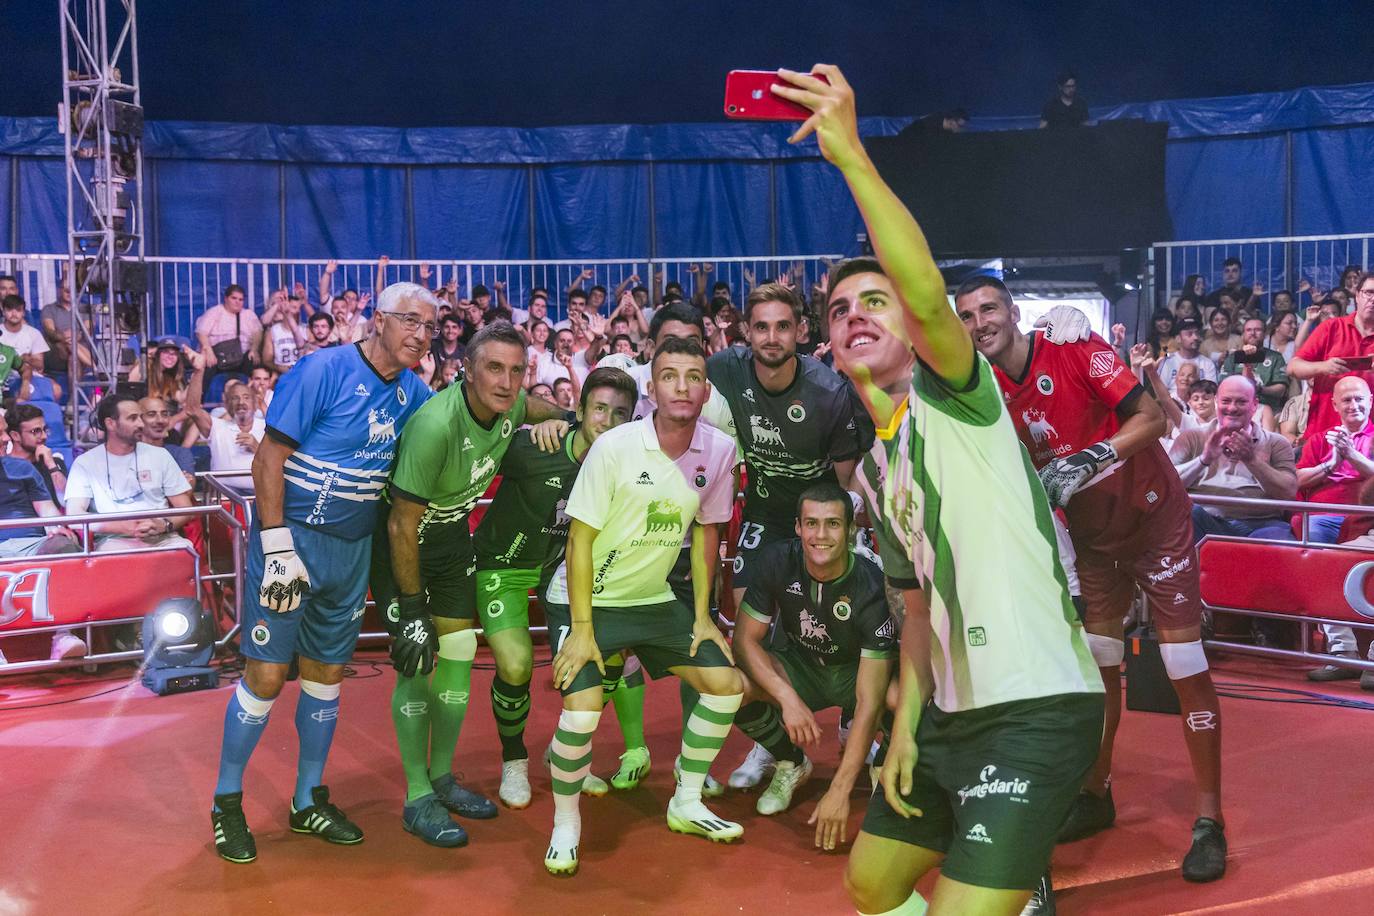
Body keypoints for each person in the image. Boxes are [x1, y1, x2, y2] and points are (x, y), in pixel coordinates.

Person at [773, 65, 1104, 916]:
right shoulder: (877, 476)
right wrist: (905, 733)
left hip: (1034, 707)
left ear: (919, 331)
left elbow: (922, 284)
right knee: (870, 884)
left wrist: (851, 157)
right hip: (950, 719)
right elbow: (916, 613)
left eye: (872, 300)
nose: (854, 314)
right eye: (840, 308)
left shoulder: (959, 396)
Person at [965, 276, 1228, 884]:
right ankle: (1096, 791)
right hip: (1094, 541)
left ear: (1012, 311)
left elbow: (1154, 418)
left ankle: (1210, 821)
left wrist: (1094, 456)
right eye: (968, 315)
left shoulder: (1072, 345)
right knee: (1099, 666)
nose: (980, 323)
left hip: (1156, 520)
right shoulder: (985, 391)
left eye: (989, 308)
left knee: (1184, 664)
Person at [207, 282, 436, 864]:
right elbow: (269, 459)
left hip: (350, 552)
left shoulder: (415, 395)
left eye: (430, 327)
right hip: (291, 543)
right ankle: (226, 802)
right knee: (263, 678)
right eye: (410, 320)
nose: (420, 334)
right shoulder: (321, 370)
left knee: (326, 677)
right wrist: (277, 544)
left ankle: (307, 800)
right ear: (378, 320)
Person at [542, 335, 742, 876]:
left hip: (653, 598)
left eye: (693, 376)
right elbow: (578, 540)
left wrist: (703, 617)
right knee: (581, 711)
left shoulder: (719, 451)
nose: (683, 385)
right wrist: (582, 630)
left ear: (705, 389)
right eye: (671, 376)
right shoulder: (615, 447)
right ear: (652, 388)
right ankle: (565, 822)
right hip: (586, 599)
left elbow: (708, 538)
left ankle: (687, 799)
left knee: (726, 686)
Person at [369, 321, 572, 849]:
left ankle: (441, 779)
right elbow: (400, 524)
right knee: (418, 662)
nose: (506, 382)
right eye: (493, 368)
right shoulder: (436, 425)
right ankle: (417, 798)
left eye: (516, 371)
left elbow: (543, 410)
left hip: (454, 541)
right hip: (404, 546)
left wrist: (569, 423)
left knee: (459, 655)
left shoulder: (513, 405)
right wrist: (412, 610)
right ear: (467, 369)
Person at [705, 280, 876, 788]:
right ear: (745, 332)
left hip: (816, 521)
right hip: (762, 515)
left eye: (783, 326)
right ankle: (772, 744)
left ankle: (851, 718)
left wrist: (835, 534)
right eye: (761, 327)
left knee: (828, 620)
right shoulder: (723, 371)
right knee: (749, 629)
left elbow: (845, 480)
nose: (772, 337)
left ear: (801, 331)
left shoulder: (829, 391)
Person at [472, 367, 641, 808]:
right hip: (501, 565)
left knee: (608, 656)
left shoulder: (623, 468)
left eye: (620, 413)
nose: (607, 420)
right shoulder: (535, 446)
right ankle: (513, 762)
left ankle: (565, 752)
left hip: (561, 570)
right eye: (599, 409)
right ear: (580, 410)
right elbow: (481, 441)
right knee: (514, 666)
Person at [731, 482, 897, 839]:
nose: (820, 535)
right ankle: (790, 761)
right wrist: (787, 698)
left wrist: (839, 789)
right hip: (802, 667)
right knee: (731, 688)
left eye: (833, 524)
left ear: (851, 530)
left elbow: (869, 701)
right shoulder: (778, 559)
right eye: (811, 523)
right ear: (797, 527)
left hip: (856, 673)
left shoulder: (871, 586)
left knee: (905, 699)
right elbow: (744, 641)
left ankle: (883, 771)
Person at [1294, 377, 1374, 681]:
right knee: (1316, 558)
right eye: (1347, 400)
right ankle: (1343, 653)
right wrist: (1332, 462)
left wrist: (1353, 457)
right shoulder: (1319, 439)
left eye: (1359, 399)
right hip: (1324, 515)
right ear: (1335, 405)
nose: (1354, 405)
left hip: (1367, 516)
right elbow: (1297, 481)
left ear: (1370, 401)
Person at [1170, 375, 1299, 541]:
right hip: (1205, 520)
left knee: (1281, 543)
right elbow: (1167, 487)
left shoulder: (1276, 442)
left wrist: (1251, 460)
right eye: (1226, 401)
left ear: (1254, 405)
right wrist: (1204, 459)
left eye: (1241, 402)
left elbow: (1288, 493)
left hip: (1263, 523)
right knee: (1185, 516)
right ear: (1217, 401)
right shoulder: (1190, 438)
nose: (1232, 408)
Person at [0, 407, 81, 666]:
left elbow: (46, 509)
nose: (5, 439)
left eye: (4, 432)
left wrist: (54, 526)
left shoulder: (22, 468)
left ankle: (63, 636)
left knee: (64, 547)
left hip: (32, 542)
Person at [1287, 272, 1374, 443]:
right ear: (1357, 296)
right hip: (1325, 430)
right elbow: (1293, 368)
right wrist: (1324, 367)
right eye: (1368, 292)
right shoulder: (1332, 327)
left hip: (1369, 438)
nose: (1373, 298)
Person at [186, 367, 265, 493]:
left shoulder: (267, 427)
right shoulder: (217, 426)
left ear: (255, 404)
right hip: (224, 496)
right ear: (227, 405)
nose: (241, 402)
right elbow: (192, 410)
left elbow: (279, 464)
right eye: (235, 398)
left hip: (261, 495)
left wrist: (257, 447)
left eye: (246, 397)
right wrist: (198, 371)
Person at [196, 285, 263, 384]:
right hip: (217, 355)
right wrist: (208, 351)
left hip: (242, 356)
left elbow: (258, 333)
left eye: (241, 299)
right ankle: (201, 397)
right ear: (226, 299)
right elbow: (201, 333)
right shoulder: (214, 312)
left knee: (254, 363)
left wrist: (254, 349)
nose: (237, 302)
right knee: (206, 366)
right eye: (234, 298)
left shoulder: (248, 314)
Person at [1219, 317, 1289, 413]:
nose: (1253, 333)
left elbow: (1281, 390)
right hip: (1237, 409)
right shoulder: (1233, 358)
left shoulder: (1275, 357)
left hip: (1268, 408)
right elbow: (1223, 386)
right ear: (1243, 335)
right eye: (1248, 330)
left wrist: (1259, 389)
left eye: (1257, 330)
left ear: (1265, 334)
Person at [6, 403, 67, 505]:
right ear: (15, 436)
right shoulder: (4, 467)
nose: (44, 436)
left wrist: (51, 466)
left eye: (44, 429)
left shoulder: (54, 464)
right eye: (36, 431)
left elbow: (65, 502)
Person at [1157, 319, 1218, 390]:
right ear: (1178, 339)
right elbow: (1160, 391)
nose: (1195, 337)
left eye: (1197, 333)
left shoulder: (1208, 363)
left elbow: (1211, 392)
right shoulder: (1168, 362)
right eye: (1189, 334)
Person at [0, 295, 48, 376]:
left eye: (18, 310)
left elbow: (40, 365)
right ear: (3, 312)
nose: (14, 314)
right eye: (9, 310)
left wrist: (27, 359)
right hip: (2, 376)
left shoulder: (34, 333)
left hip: (29, 376)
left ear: (23, 313)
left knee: (55, 387)